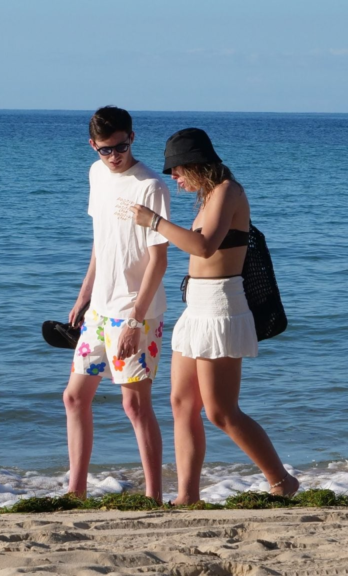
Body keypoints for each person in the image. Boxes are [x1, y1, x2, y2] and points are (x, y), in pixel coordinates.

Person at [130, 128, 299, 504]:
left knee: (221, 412)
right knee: (182, 403)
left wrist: (154, 222)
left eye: (176, 171)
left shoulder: (227, 192)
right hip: (198, 308)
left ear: (195, 165)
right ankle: (188, 495)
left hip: (222, 306)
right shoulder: (208, 196)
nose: (174, 178)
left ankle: (281, 480)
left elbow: (204, 247)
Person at [64, 106, 170, 502]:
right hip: (99, 310)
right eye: (105, 150)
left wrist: (134, 321)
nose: (114, 156)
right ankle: (76, 492)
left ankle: (154, 496)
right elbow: (101, 241)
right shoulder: (96, 175)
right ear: (93, 146)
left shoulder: (150, 186)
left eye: (121, 147)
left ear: (132, 137)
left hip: (137, 312)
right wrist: (83, 295)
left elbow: (159, 260)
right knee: (74, 397)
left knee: (135, 404)